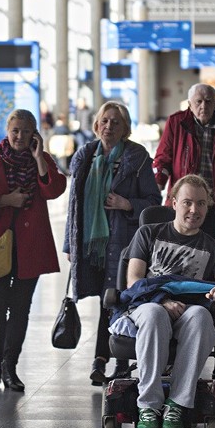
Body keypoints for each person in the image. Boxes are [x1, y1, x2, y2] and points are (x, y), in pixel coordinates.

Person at [122, 175, 215, 428]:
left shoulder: (214, 248)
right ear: (174, 202)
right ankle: (149, 406)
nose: (194, 210)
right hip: (151, 304)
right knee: (155, 314)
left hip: (189, 312)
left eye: (201, 204)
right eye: (187, 202)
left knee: (201, 315)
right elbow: (134, 281)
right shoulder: (149, 233)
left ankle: (177, 404)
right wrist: (163, 300)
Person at [0, 109, 66, 391]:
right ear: (7, 132)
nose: (20, 136)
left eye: (25, 131)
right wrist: (6, 199)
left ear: (34, 133)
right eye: (15, 131)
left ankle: (10, 365)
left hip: (30, 244)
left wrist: (39, 159)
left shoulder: (41, 160)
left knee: (20, 309)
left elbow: (55, 189)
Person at [64, 101, 161, 385]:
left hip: (123, 244)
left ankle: (109, 360)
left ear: (125, 129)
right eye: (105, 121)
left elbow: (153, 202)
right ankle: (106, 359)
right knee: (103, 301)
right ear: (96, 125)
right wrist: (70, 245)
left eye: (116, 123)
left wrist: (126, 203)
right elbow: (74, 205)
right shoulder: (84, 155)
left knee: (116, 301)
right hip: (90, 245)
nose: (109, 127)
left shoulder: (138, 157)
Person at [153, 83, 215, 243]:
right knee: (180, 250)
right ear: (189, 104)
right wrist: (156, 184)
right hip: (184, 201)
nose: (203, 106)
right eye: (198, 101)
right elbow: (163, 159)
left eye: (208, 101)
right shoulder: (176, 122)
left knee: (214, 252)